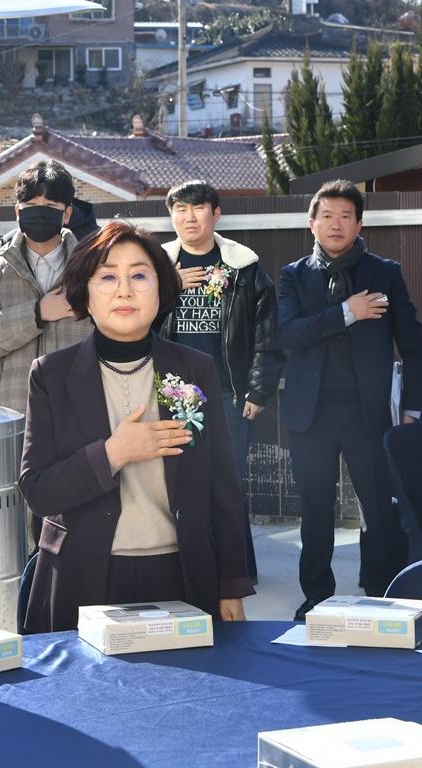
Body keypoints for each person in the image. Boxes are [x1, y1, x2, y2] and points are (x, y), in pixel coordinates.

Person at [19, 220, 254, 633]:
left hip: (180, 573)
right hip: (84, 575)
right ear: (84, 294)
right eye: (107, 276)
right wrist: (113, 453)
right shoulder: (51, 375)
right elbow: (38, 490)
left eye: (139, 275)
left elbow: (222, 483)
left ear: (162, 290)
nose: (124, 290)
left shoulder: (194, 368)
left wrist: (231, 583)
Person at [278, 180, 422, 617]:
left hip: (369, 412)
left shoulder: (385, 272)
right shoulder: (294, 275)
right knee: (315, 510)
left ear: (360, 223)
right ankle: (317, 597)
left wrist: (413, 407)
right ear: (312, 224)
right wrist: (348, 312)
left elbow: (414, 345)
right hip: (311, 413)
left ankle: (380, 591)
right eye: (327, 216)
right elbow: (288, 334)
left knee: (378, 507)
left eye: (346, 216)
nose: (336, 224)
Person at [157, 180, 284, 581]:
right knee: (178, 482)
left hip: (228, 392)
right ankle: (188, 567)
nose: (188, 217)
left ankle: (236, 569)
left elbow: (267, 335)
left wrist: (258, 389)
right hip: (175, 394)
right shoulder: (157, 268)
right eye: (180, 209)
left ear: (216, 214)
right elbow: (138, 324)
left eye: (197, 209)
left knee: (228, 483)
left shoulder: (243, 267)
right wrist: (169, 286)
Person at [0, 160, 91, 415]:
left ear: (66, 214)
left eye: (50, 206)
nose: (40, 212)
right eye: (31, 205)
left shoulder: (92, 270)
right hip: (7, 413)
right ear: (18, 212)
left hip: (77, 410)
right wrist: (36, 313)